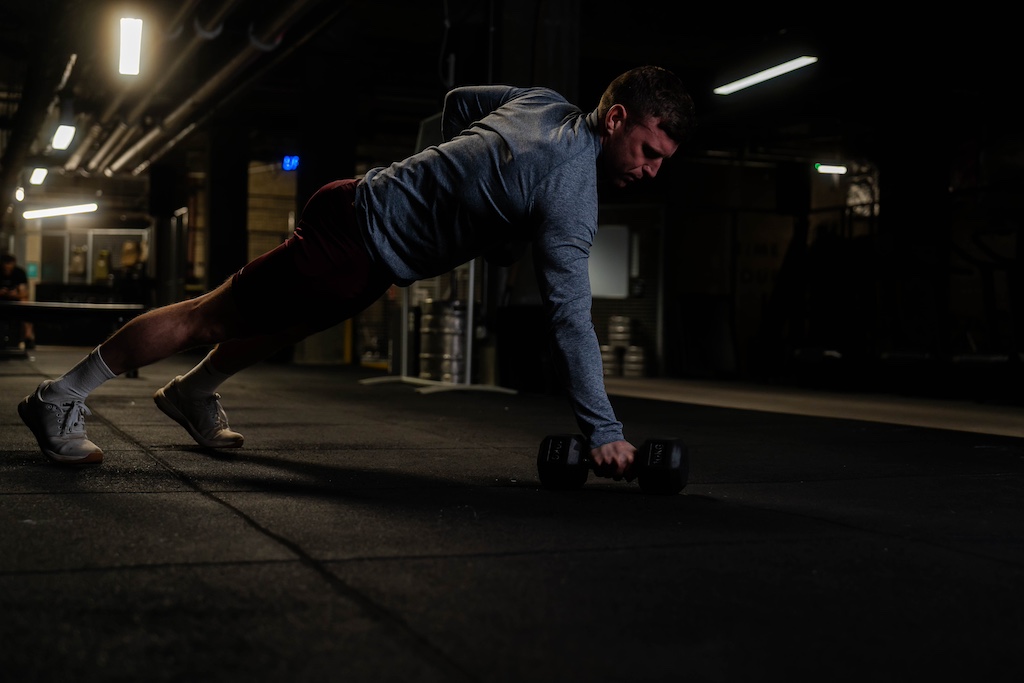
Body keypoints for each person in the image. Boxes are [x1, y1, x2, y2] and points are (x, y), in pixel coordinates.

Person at [18, 65, 696, 478]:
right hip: (358, 234)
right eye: (649, 150)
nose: (651, 169)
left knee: (292, 321)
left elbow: (461, 102)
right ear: (616, 118)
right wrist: (604, 433)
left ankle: (194, 393)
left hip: (366, 233)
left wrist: (432, 177)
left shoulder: (543, 102)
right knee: (210, 313)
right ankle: (57, 398)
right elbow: (571, 320)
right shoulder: (572, 194)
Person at [1, 252, 35, 349]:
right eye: (5, 265)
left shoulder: (19, 273)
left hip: (16, 299)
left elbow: (24, 293)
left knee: (25, 303)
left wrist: (15, 294)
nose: (8, 268)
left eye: (10, 265)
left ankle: (28, 336)